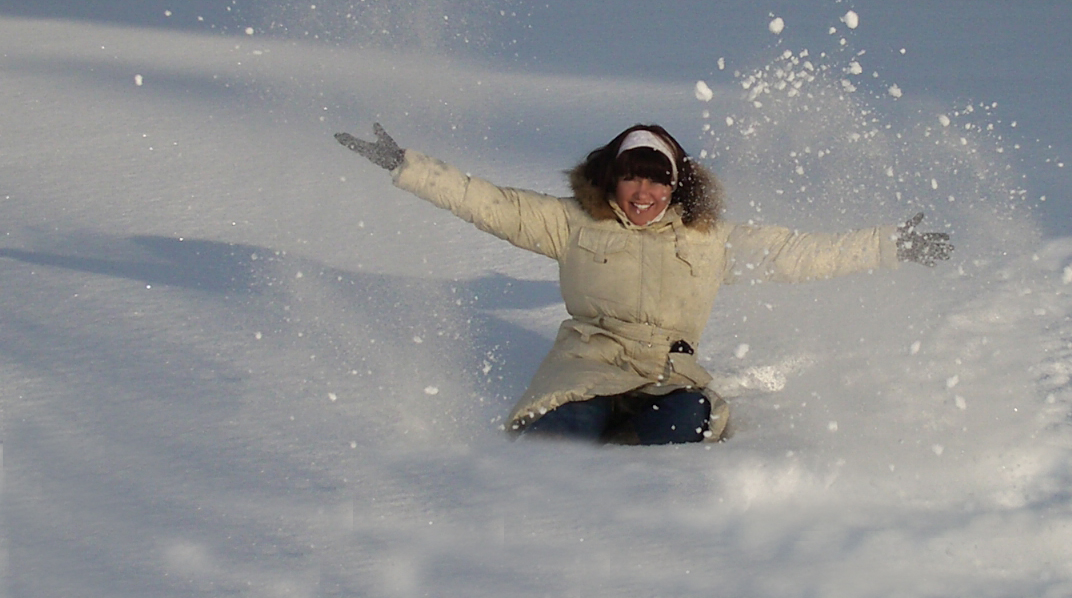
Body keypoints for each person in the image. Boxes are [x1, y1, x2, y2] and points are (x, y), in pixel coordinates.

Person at [336, 122, 952, 445]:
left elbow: (797, 254)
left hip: (668, 374)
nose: (645, 194)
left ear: (675, 186)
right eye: (633, 179)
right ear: (612, 180)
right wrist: (408, 167)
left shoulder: (709, 241)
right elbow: (490, 203)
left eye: (658, 182)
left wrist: (889, 244)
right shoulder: (572, 223)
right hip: (587, 364)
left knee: (681, 428)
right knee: (560, 438)